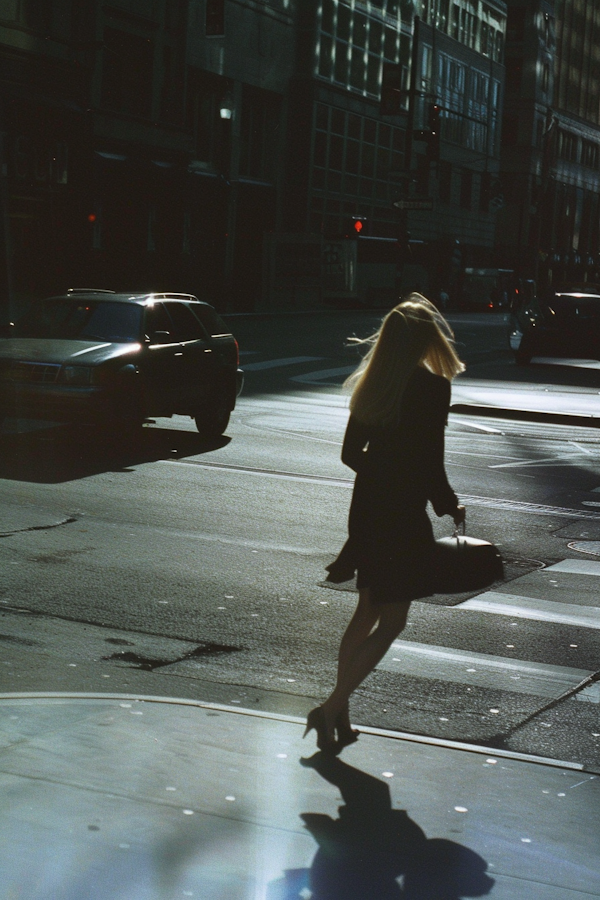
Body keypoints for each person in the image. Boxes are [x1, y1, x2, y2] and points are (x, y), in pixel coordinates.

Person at [304, 294, 466, 754]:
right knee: (393, 620)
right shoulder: (434, 388)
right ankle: (332, 706)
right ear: (424, 342)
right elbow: (431, 460)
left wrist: (385, 475)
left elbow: (350, 454)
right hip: (402, 513)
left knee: (368, 610)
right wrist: (447, 503)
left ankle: (340, 711)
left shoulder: (373, 384)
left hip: (369, 507)